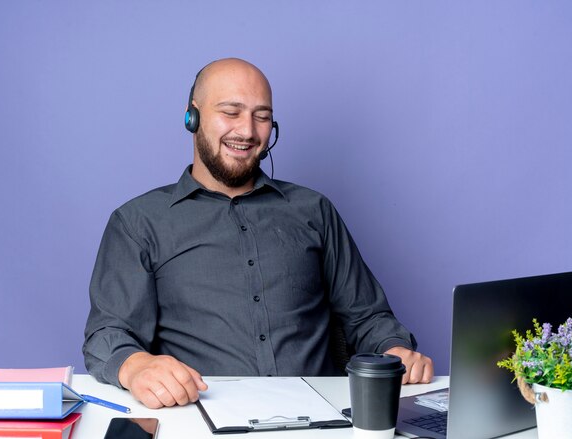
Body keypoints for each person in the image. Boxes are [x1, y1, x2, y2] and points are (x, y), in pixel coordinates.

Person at [83, 58, 434, 409]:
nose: (247, 132)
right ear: (193, 116)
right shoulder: (138, 222)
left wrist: (395, 348)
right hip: (198, 417)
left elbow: (367, 316)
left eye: (261, 116)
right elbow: (108, 334)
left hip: (320, 419)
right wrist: (136, 365)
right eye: (231, 112)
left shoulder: (314, 210)